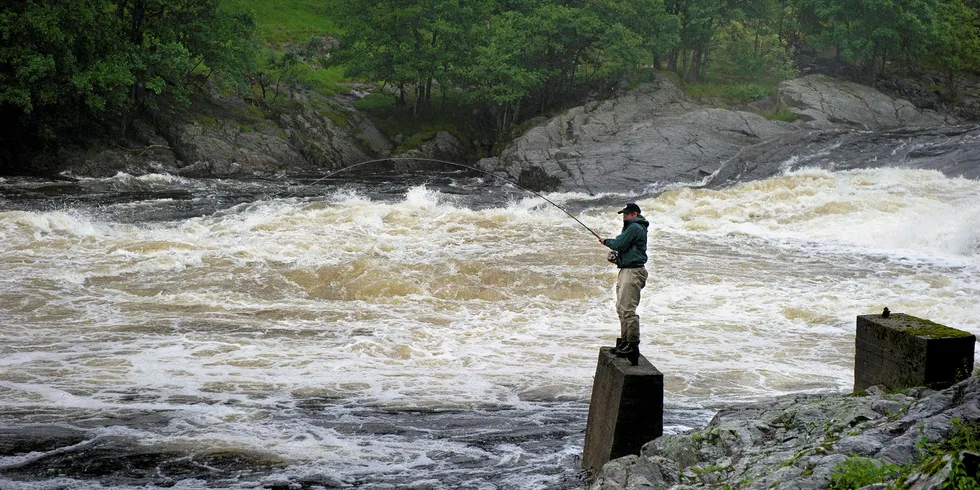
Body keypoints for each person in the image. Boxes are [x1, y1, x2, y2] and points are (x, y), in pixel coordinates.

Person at [598, 203, 649, 365]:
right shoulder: (632, 227)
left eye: (627, 214)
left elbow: (619, 244)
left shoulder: (635, 227)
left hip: (633, 272)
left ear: (635, 214)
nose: (624, 217)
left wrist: (606, 241)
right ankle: (625, 343)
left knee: (627, 310)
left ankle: (632, 345)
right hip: (626, 270)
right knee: (621, 308)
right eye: (623, 214)